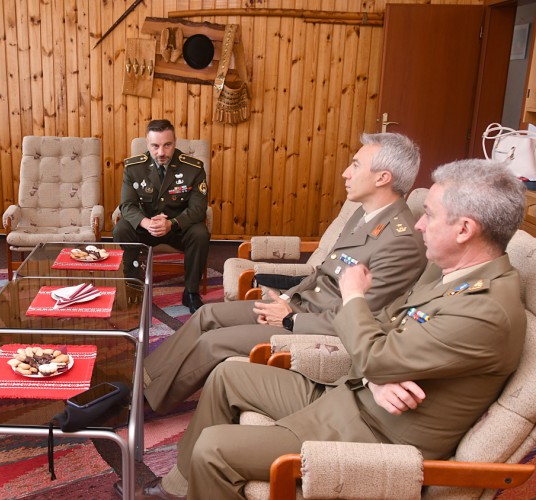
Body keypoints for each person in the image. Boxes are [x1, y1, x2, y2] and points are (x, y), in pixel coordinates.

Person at [136, 158, 528, 499]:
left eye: (430, 214)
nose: (420, 224)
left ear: (464, 229)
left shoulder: (487, 310)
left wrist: (354, 296)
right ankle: (181, 485)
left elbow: (376, 343)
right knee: (227, 376)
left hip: (376, 435)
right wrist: (377, 375)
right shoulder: (447, 270)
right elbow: (384, 332)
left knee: (214, 448)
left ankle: (203, 474)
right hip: (356, 392)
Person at [143, 133, 427, 414]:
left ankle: (145, 403)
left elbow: (359, 320)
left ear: (382, 178)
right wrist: (289, 297)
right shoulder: (364, 212)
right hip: (300, 305)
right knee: (206, 315)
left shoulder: (400, 242)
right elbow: (324, 271)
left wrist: (291, 319)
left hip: (318, 330)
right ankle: (143, 378)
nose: (345, 173)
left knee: (212, 342)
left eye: (355, 165)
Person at [113, 119, 210, 313]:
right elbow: (127, 206)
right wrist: (147, 223)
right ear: (147, 145)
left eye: (167, 145)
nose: (161, 152)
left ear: (175, 142)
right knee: (121, 229)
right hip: (146, 228)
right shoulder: (134, 168)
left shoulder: (193, 167)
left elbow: (199, 209)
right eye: (155, 146)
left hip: (178, 228)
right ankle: (133, 286)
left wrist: (172, 223)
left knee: (200, 233)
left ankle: (191, 292)